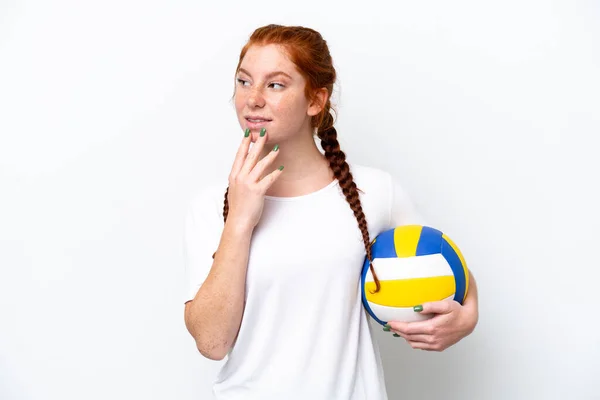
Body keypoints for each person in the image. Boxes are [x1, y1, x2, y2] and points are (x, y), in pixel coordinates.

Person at [183, 24, 479, 400]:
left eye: (275, 84)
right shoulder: (209, 207)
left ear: (315, 100)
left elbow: (448, 268)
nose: (252, 99)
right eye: (243, 81)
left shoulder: (375, 192)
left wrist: (468, 316)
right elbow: (212, 342)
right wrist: (240, 219)